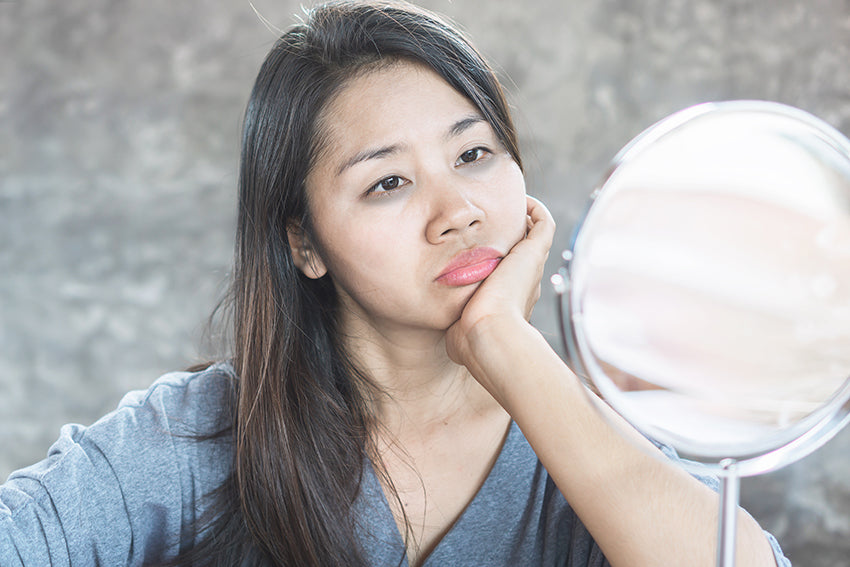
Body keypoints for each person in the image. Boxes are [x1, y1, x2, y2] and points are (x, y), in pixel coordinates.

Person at [0, 1, 790, 566]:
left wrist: (505, 347)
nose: (458, 213)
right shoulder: (197, 435)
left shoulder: (589, 440)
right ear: (304, 242)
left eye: (474, 155)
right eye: (388, 183)